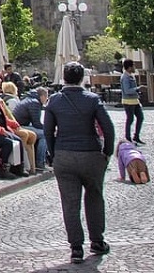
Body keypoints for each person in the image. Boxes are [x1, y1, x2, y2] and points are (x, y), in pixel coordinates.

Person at [44, 61, 114, 264]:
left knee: (69, 202)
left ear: (64, 78)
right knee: (94, 197)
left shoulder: (55, 101)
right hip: (91, 154)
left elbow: (48, 131)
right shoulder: (92, 99)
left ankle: (76, 248)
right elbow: (108, 128)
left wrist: (53, 152)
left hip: (64, 156)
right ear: (82, 77)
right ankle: (97, 241)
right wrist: (107, 152)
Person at [10, 86, 50, 173]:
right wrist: (49, 128)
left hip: (19, 124)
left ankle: (39, 162)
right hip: (19, 126)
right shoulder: (35, 103)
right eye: (47, 98)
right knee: (45, 134)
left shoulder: (29, 99)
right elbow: (37, 123)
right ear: (43, 96)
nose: (46, 100)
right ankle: (40, 162)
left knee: (41, 132)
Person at [120, 59, 145, 144]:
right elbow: (127, 90)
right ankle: (128, 137)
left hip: (135, 100)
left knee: (140, 117)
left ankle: (136, 136)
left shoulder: (131, 75)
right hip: (128, 101)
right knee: (130, 119)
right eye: (133, 66)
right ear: (129, 67)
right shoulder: (125, 77)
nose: (135, 67)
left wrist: (138, 91)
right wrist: (138, 88)